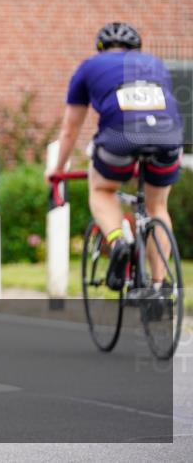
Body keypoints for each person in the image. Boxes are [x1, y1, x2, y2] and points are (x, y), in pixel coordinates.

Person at [47, 22, 184, 295]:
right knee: (157, 206)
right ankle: (158, 286)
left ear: (101, 48)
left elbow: (70, 129)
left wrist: (57, 168)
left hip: (121, 136)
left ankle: (118, 241)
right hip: (168, 136)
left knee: (101, 189)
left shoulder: (89, 67)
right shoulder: (155, 64)